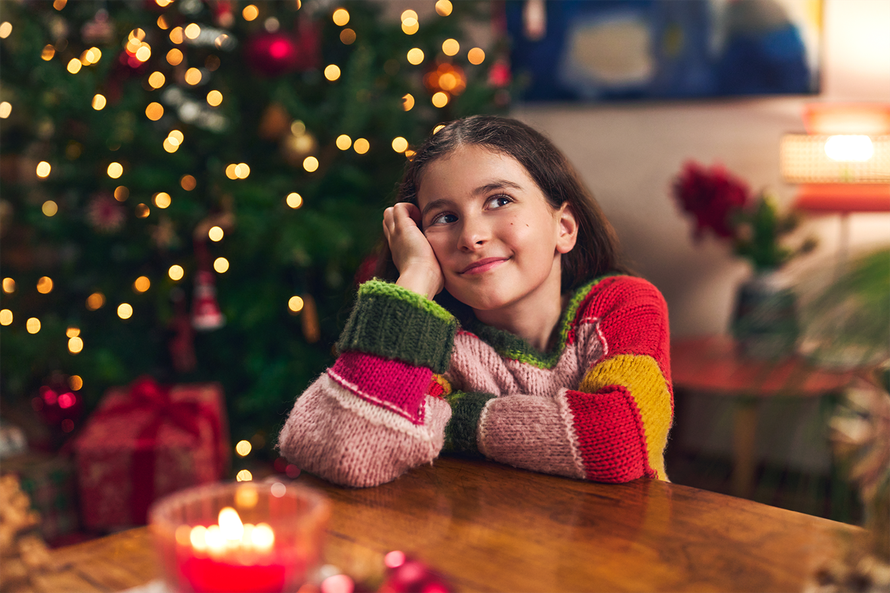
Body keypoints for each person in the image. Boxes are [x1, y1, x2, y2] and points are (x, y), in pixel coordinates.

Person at [277, 115, 673, 487]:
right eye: (445, 218)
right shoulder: (438, 344)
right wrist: (414, 279)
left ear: (564, 228)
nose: (471, 237)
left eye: (499, 200)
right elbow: (344, 451)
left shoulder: (625, 306)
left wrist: (454, 417)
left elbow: (620, 439)